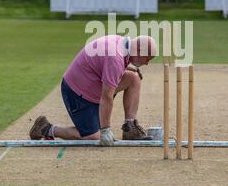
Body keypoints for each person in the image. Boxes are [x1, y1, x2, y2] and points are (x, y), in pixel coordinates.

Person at [29, 35, 157, 146]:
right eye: (148, 58)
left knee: (133, 78)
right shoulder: (115, 58)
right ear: (139, 50)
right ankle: (46, 128)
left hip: (88, 84)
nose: (147, 64)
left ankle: (130, 128)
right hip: (76, 93)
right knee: (93, 136)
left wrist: (128, 68)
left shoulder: (121, 43)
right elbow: (106, 96)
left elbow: (106, 62)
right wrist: (105, 130)